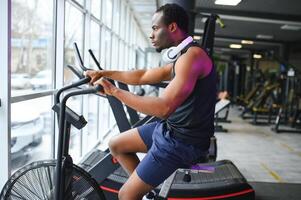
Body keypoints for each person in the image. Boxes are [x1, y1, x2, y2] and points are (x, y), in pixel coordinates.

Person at [85, 3, 216, 200]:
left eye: (155, 28)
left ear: (171, 27)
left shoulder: (192, 57)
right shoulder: (183, 56)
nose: (151, 34)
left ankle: (136, 192)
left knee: (125, 196)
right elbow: (144, 75)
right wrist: (104, 73)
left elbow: (163, 108)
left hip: (183, 142)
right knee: (116, 145)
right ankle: (147, 193)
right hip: (170, 130)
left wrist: (113, 91)